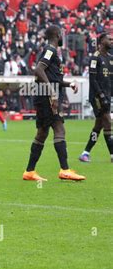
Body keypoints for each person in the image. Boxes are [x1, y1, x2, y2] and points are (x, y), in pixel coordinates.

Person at [23, 25, 85, 182]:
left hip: (44, 95)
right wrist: (52, 93)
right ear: (57, 35)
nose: (63, 36)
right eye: (62, 34)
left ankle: (29, 171)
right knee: (59, 128)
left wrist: (68, 84)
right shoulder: (50, 50)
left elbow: (52, 77)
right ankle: (65, 169)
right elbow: (38, 70)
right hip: (47, 97)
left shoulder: (51, 51)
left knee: (42, 133)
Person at [79, 33, 113, 163]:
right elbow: (92, 79)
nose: (111, 41)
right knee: (107, 121)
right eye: (109, 39)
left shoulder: (110, 58)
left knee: (98, 126)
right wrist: (101, 95)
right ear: (101, 41)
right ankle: (112, 154)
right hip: (97, 96)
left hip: (107, 95)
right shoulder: (95, 58)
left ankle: (85, 153)